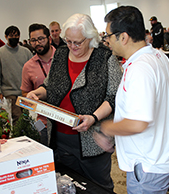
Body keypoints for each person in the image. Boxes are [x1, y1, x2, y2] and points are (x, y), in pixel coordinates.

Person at [27, 13, 122, 191]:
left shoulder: (105, 57)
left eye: (77, 42)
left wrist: (93, 117)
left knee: (99, 186)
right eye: (68, 41)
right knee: (69, 185)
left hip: (93, 140)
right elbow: (49, 86)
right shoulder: (61, 54)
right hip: (61, 138)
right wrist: (37, 94)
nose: (72, 46)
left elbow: (114, 96)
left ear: (90, 37)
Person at [94, 6, 169, 194]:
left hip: (147, 166)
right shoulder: (157, 55)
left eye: (108, 36)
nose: (106, 41)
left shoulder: (140, 69)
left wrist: (107, 128)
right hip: (158, 158)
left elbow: (138, 123)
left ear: (123, 37)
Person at [21, 23, 56, 145]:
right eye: (33, 40)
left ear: (49, 39)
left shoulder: (63, 58)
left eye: (41, 39)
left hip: (65, 120)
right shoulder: (28, 66)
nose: (37, 43)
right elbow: (25, 93)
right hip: (43, 122)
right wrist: (31, 99)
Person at [0, 25, 33, 126]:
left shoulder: (26, 52)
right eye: (11, 35)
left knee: (29, 120)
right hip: (9, 94)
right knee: (16, 121)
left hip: (25, 94)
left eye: (17, 35)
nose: (14, 38)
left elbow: (32, 71)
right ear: (6, 37)